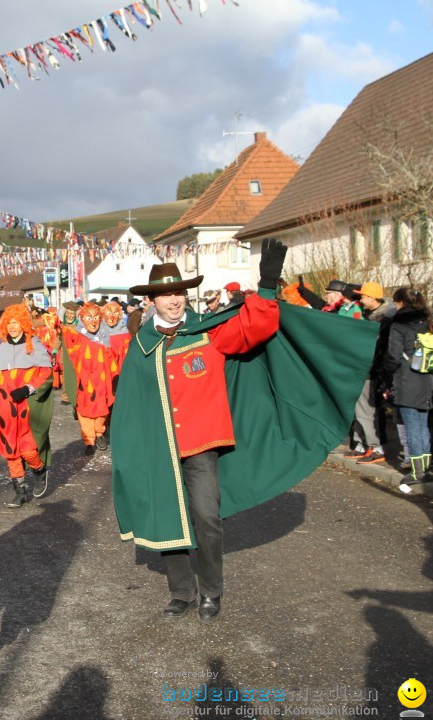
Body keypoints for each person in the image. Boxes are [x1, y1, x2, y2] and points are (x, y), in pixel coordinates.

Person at [111, 241, 377, 622]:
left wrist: (267, 285)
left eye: (179, 293)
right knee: (167, 516)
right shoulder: (140, 346)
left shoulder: (206, 331)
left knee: (206, 517)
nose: (174, 300)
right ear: (152, 300)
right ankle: (181, 592)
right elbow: (131, 406)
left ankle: (211, 592)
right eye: (166, 295)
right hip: (159, 448)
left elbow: (255, 327)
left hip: (201, 445)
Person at [0, 304, 53, 508]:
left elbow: (45, 374)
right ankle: (20, 491)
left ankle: (39, 470)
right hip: (5, 407)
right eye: (10, 323)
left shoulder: (35, 345)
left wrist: (28, 389)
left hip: (26, 408)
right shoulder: (3, 347)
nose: (13, 327)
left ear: (24, 324)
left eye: (16, 322)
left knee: (28, 450)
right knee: (10, 451)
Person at [384, 288, 433, 487]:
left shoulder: (399, 325)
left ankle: (416, 471)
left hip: (406, 380)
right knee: (423, 425)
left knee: (412, 426)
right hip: (426, 379)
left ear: (400, 303)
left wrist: (387, 374)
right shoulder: (428, 322)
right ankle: (426, 467)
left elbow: (393, 356)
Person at [62, 301, 118, 455]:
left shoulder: (105, 337)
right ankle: (88, 439)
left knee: (102, 408)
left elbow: (112, 358)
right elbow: (68, 354)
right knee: (84, 410)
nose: (93, 322)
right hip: (84, 381)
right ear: (82, 319)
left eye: (95, 318)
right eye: (88, 318)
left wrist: (115, 377)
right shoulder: (77, 336)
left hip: (102, 380)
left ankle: (99, 433)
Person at [348, 282, 392, 464]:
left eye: (363, 296)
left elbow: (381, 348)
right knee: (359, 409)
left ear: (373, 298)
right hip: (363, 368)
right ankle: (364, 445)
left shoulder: (384, 320)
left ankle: (375, 447)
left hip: (371, 371)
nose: (361, 299)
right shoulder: (369, 316)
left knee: (366, 410)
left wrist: (376, 368)